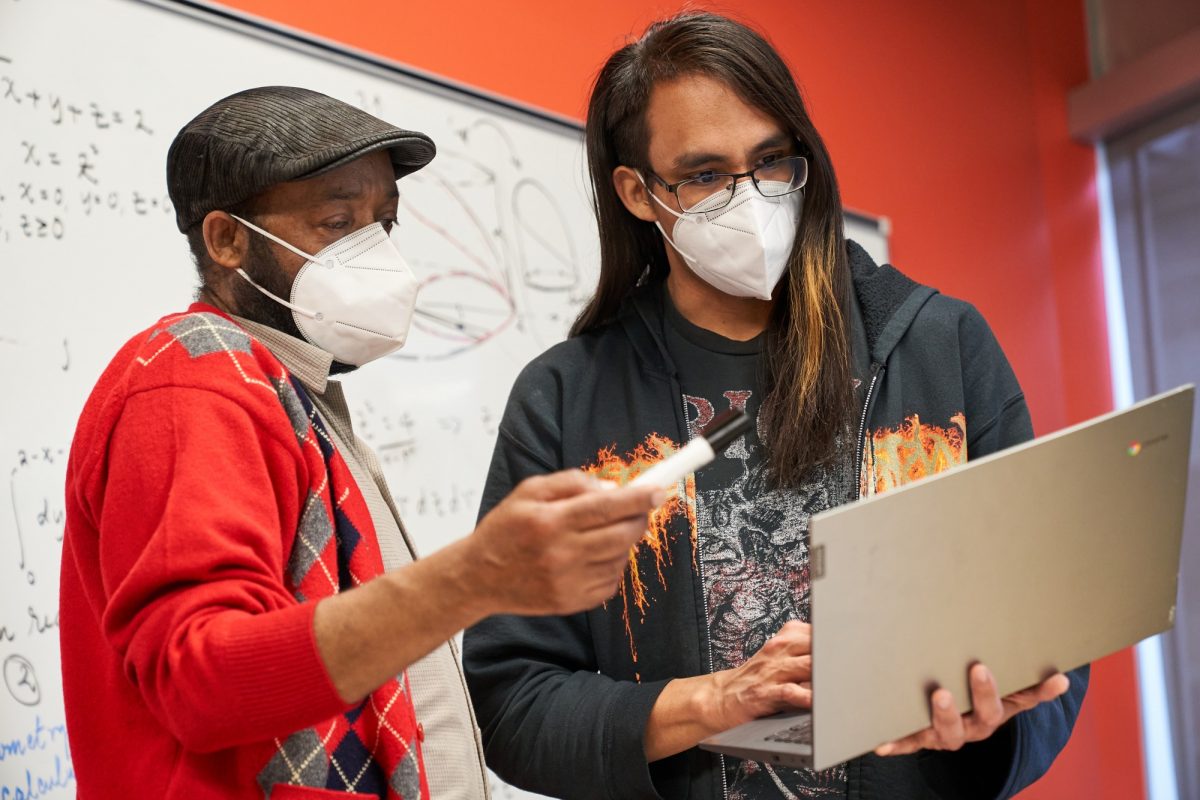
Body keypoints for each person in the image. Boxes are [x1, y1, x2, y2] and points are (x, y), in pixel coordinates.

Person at [463, 13, 1088, 800]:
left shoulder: (940, 348)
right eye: (704, 175)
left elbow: (1050, 632)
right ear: (638, 193)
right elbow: (513, 703)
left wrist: (996, 723)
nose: (750, 200)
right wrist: (710, 702)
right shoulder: (566, 399)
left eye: (771, 162)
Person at [59, 86, 661, 800]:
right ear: (226, 240)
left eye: (383, 224)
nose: (373, 253)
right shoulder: (197, 381)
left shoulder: (285, 391)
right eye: (337, 222)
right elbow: (204, 680)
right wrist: (471, 578)